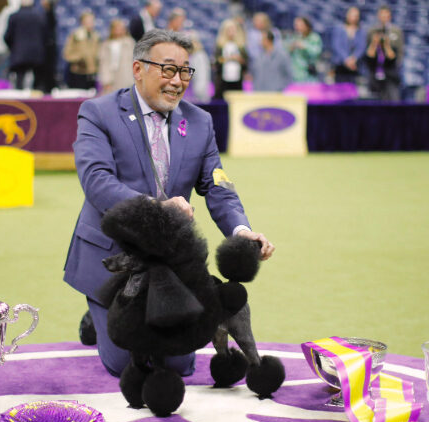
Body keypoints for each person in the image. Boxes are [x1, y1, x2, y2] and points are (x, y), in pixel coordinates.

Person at [64, 29, 274, 378]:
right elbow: (97, 182)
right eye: (167, 69)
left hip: (171, 260)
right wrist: (155, 209)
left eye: (185, 71)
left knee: (179, 364)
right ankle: (98, 308)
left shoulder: (200, 122)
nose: (177, 81)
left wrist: (242, 231)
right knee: (125, 366)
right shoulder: (98, 112)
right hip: (115, 259)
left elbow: (217, 185)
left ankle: (103, 316)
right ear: (137, 69)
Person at [4, 0, 47, 89]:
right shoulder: (40, 16)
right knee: (37, 84)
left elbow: (7, 37)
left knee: (20, 82)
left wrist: (13, 48)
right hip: (36, 54)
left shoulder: (14, 16)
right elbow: (46, 36)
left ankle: (20, 101)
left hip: (19, 54)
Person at [365, 5, 403, 101]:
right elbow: (368, 54)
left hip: (390, 73)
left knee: (393, 100)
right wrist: (374, 43)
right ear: (378, 16)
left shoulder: (396, 31)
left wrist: (386, 44)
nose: (384, 19)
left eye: (386, 16)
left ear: (390, 16)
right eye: (382, 16)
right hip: (374, 72)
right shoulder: (372, 31)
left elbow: (396, 55)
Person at [62, 10, 100, 89]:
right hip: (78, 72)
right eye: (88, 21)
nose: (90, 23)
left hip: (92, 72)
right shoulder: (76, 35)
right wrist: (78, 58)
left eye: (92, 21)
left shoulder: (96, 36)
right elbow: (67, 53)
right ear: (82, 22)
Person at [213, 18, 248, 99]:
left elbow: (246, 63)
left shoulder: (241, 47)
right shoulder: (220, 46)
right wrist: (227, 59)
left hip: (237, 81)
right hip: (223, 81)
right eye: (229, 30)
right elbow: (216, 62)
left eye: (233, 30)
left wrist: (239, 59)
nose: (232, 32)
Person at [98, 19, 135, 94]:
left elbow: (133, 60)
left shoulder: (130, 43)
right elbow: (104, 63)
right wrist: (106, 80)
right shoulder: (106, 44)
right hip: (111, 79)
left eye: (121, 28)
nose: (119, 30)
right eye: (117, 28)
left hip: (126, 78)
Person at [331, 6, 366, 84]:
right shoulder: (339, 29)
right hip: (341, 65)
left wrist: (354, 59)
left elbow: (361, 47)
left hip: (355, 66)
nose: (353, 17)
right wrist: (346, 59)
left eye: (356, 15)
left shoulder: (361, 31)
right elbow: (337, 46)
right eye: (352, 15)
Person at [287, 16, 322, 82]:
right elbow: (285, 52)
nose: (297, 28)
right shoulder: (293, 37)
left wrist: (304, 46)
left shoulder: (314, 38)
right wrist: (291, 48)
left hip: (309, 74)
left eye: (300, 25)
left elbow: (317, 52)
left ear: (307, 26)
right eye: (296, 25)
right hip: (295, 75)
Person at [188, 31, 211, 102]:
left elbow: (202, 76)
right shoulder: (195, 55)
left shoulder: (199, 55)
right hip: (197, 90)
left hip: (201, 91)